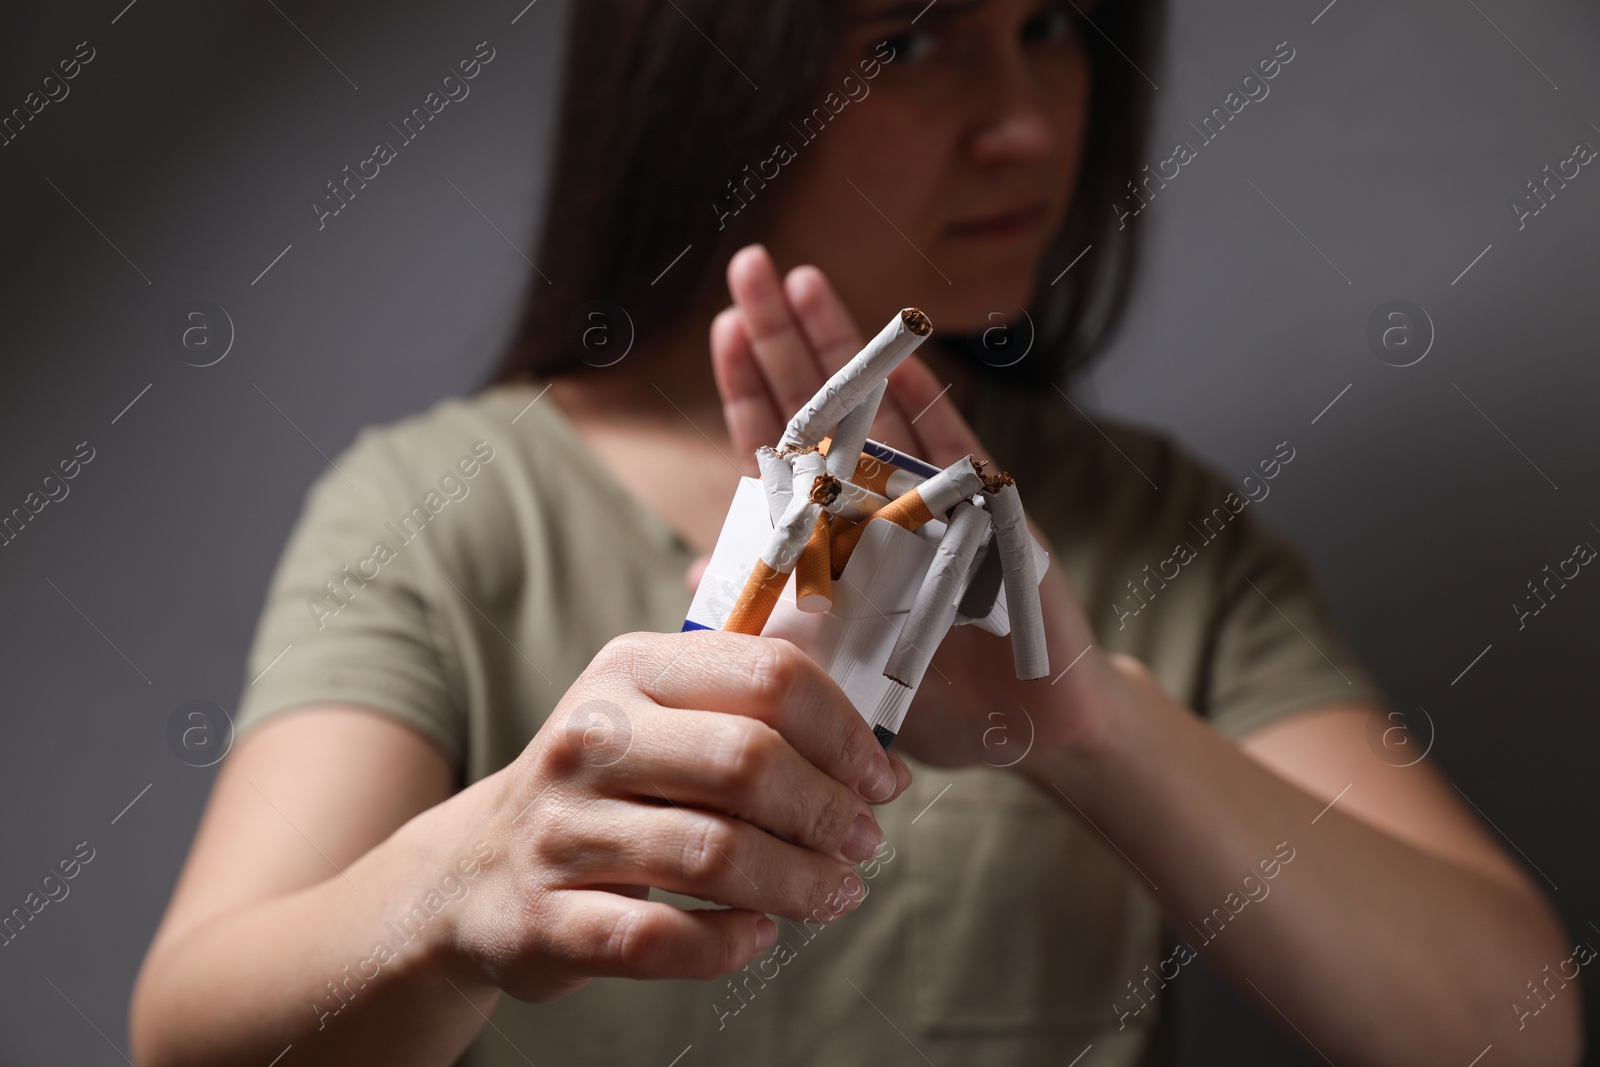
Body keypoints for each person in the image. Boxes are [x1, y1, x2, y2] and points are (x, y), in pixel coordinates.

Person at [129, 1, 1582, 1065]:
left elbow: (1512, 1029)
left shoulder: (1155, 534)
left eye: (1055, 27)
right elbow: (195, 1033)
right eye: (908, 41)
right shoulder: (445, 509)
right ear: (708, 73)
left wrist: (1088, 735)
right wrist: (462, 886)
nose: (1022, 121)